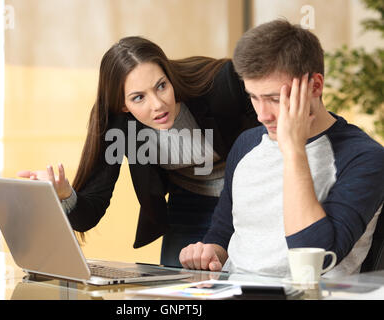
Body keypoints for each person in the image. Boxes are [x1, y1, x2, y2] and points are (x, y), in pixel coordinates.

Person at [17, 36, 260, 267]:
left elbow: (269, 142)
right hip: (188, 203)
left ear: (168, 75)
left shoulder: (220, 84)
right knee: (178, 286)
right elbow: (89, 213)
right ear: (123, 105)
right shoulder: (116, 123)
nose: (157, 104)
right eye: (138, 98)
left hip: (246, 195)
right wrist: (64, 194)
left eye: (161, 86)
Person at [179, 19, 384, 278]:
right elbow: (223, 230)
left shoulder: (364, 157)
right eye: (253, 97)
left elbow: (315, 260)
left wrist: (294, 150)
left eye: (275, 99)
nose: (262, 115)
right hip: (230, 291)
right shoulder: (247, 143)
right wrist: (211, 252)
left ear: (315, 86)